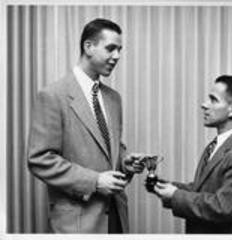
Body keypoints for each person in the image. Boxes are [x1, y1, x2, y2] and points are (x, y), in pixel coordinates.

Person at [28, 18, 145, 233]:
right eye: (111, 48)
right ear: (88, 47)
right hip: (78, 223)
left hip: (117, 217)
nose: (117, 56)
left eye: (119, 50)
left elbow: (107, 148)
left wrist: (125, 163)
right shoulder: (53, 95)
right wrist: (95, 181)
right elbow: (40, 159)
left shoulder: (113, 99)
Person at [154, 75, 232, 233]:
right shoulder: (217, 145)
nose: (204, 105)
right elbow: (204, 190)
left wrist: (175, 195)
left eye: (213, 100)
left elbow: (222, 207)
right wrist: (169, 186)